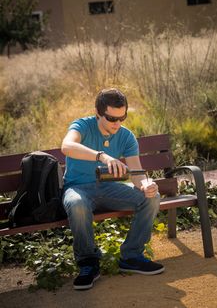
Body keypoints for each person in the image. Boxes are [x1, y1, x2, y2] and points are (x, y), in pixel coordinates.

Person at [61, 88, 164, 290]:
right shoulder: (82, 125)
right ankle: (89, 263)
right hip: (78, 188)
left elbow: (136, 172)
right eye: (111, 118)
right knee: (76, 205)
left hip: (109, 188)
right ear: (98, 113)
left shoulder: (126, 136)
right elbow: (67, 146)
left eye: (122, 118)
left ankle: (132, 256)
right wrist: (102, 156)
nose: (117, 123)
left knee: (151, 198)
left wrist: (145, 185)